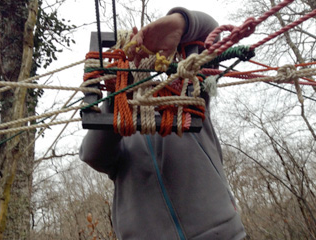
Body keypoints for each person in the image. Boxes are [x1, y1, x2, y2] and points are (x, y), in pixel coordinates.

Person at [79, 7, 246, 240]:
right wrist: (117, 99)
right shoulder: (120, 135)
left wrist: (179, 22)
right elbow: (92, 154)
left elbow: (210, 35)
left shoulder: (189, 103)